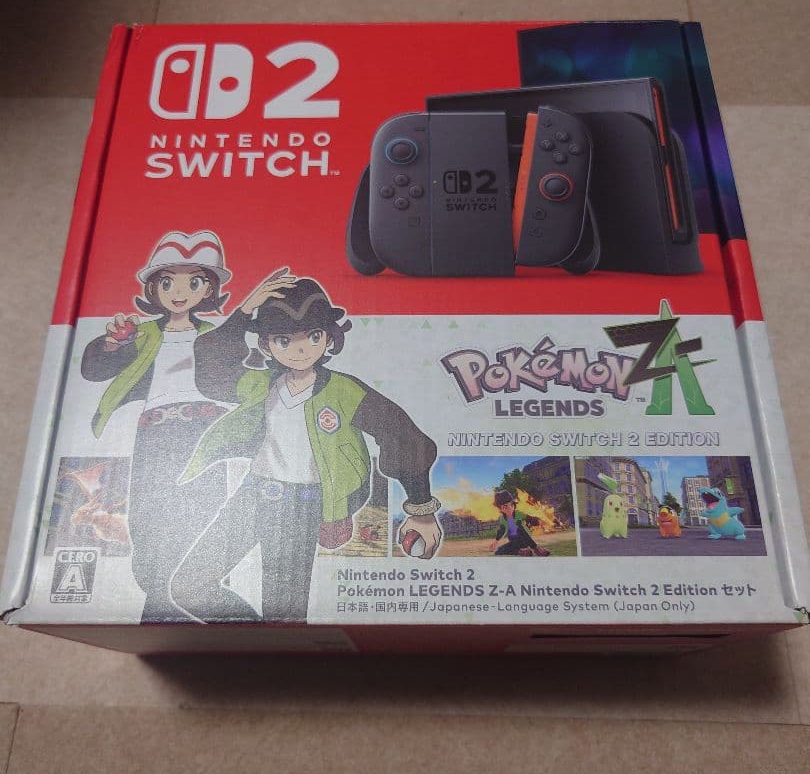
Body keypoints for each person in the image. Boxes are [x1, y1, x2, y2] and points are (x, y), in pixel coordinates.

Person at [170, 273, 442, 623]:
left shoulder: (345, 391)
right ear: (267, 345)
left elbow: (402, 434)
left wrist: (420, 508)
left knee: (283, 615)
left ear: (328, 337)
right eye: (284, 340)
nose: (300, 350)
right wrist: (244, 311)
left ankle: (273, 645)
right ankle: (255, 640)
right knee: (190, 586)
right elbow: (212, 370)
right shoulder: (259, 384)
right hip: (252, 495)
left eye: (313, 336)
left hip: (304, 506)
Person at [81, 230, 241, 620]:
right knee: (149, 518)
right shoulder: (143, 333)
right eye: (168, 282)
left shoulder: (215, 335)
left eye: (194, 283)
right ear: (154, 289)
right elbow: (94, 370)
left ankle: (196, 594)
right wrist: (113, 344)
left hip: (204, 431)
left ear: (209, 289)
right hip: (154, 432)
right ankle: (158, 598)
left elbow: (239, 376)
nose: (179, 292)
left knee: (204, 513)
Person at [489, 490, 550, 557]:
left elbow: (530, 519)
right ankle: (521, 552)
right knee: (498, 551)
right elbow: (501, 530)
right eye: (505, 507)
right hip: (514, 542)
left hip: (525, 539)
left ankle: (536, 549)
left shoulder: (518, 513)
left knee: (519, 528)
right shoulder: (503, 518)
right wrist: (495, 542)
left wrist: (539, 522)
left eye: (511, 505)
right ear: (500, 509)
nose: (509, 508)